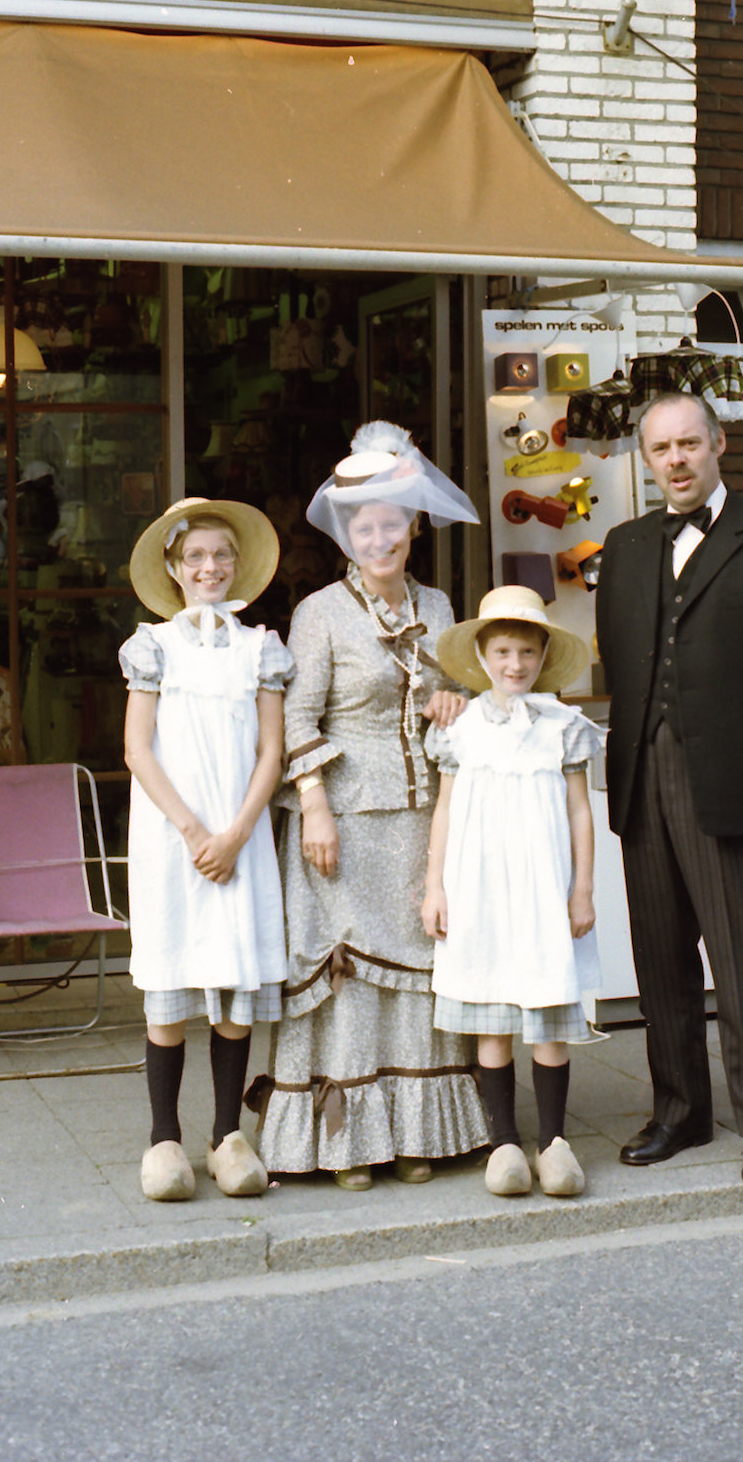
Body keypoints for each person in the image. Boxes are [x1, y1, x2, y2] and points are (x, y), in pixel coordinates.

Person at [595, 391, 743, 1190]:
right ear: (646, 457)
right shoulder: (626, 548)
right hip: (643, 782)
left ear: (717, 443)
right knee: (660, 961)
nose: (676, 460)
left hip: (738, 782)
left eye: (689, 444)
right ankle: (679, 1112)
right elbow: (624, 665)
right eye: (660, 448)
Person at [250, 422, 490, 1189]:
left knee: (416, 969)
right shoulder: (320, 611)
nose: (378, 536)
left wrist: (451, 698)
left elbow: (457, 687)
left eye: (391, 522)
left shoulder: (441, 603)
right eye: (364, 525)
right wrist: (313, 805)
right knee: (348, 974)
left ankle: (415, 1133)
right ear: (346, 532)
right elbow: (297, 717)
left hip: (421, 812)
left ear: (413, 526)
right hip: (345, 819)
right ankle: (344, 1142)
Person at [120, 496, 294, 1203]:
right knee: (170, 994)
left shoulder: (261, 648)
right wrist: (194, 833)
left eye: (221, 555)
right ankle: (164, 1138)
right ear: (173, 567)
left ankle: (227, 1135)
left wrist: (236, 833)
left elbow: (272, 749)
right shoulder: (153, 646)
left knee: (232, 990)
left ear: (237, 563)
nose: (209, 567)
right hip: (173, 838)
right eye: (194, 556)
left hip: (239, 837)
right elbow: (136, 748)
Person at [421, 587, 602, 1198]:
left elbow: (579, 812)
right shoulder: (460, 728)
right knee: (491, 1014)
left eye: (527, 651)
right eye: (502, 651)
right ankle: (504, 1144)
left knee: (547, 1014)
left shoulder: (564, 728)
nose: (515, 664)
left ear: (544, 655)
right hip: (479, 886)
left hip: (542, 887)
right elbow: (444, 811)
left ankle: (553, 1142)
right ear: (482, 654)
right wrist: (434, 887)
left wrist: (582, 889)